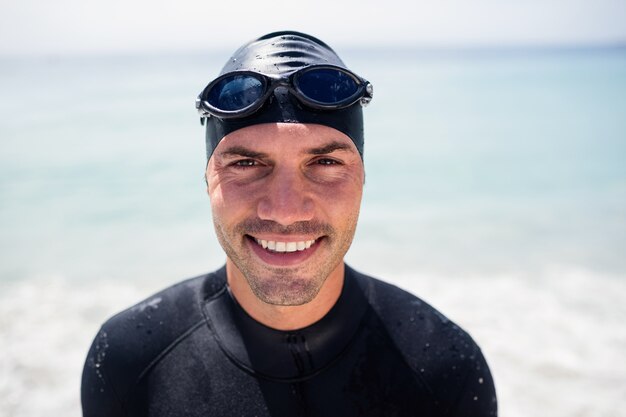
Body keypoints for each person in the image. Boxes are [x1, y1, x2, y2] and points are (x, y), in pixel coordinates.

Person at [81, 31, 497, 417]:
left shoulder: (445, 371)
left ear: (363, 178)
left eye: (325, 162)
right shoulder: (128, 364)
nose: (284, 210)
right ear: (207, 178)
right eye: (246, 163)